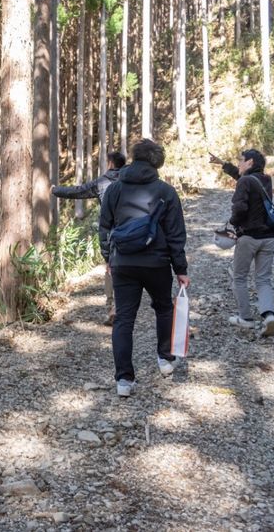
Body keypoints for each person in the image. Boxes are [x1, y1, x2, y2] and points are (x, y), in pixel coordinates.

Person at [98, 140, 189, 398]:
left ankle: (124, 381)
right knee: (163, 308)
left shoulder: (115, 189)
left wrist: (109, 257)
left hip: (123, 262)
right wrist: (180, 268)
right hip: (156, 263)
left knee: (124, 319)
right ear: (156, 162)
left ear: (134, 159)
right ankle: (165, 359)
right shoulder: (166, 191)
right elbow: (175, 235)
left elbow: (104, 226)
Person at [51, 151, 126, 325]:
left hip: (112, 234)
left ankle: (112, 307)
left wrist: (56, 190)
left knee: (111, 269)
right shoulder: (132, 181)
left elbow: (79, 191)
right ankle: (125, 306)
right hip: (134, 232)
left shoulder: (103, 182)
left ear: (110, 164)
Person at [220, 149, 274, 337]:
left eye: (241, 160)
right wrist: (225, 165)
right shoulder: (266, 180)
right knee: (263, 279)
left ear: (250, 162)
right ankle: (269, 315)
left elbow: (240, 207)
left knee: (239, 277)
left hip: (249, 237)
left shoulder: (245, 182)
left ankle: (246, 318)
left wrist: (232, 223)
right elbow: (244, 179)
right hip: (269, 238)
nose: (239, 163)